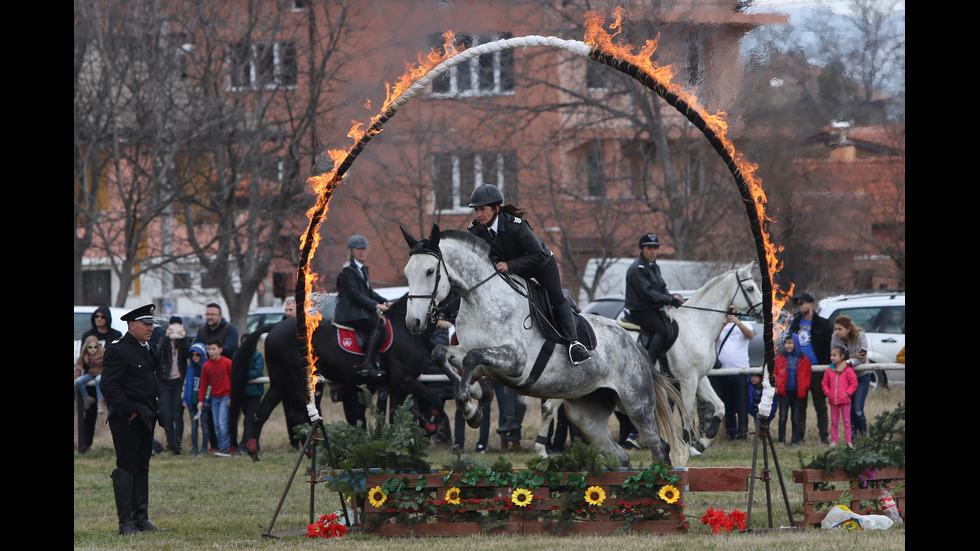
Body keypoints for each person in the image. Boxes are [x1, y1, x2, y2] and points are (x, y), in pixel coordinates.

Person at [467, 184, 590, 364]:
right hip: (510, 269)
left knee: (555, 295)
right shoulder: (476, 229)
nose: (478, 214)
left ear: (496, 209)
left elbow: (538, 254)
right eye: (476, 210)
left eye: (482, 210)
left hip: (540, 264)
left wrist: (509, 265)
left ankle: (574, 343)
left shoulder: (515, 226)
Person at [99, 303, 164, 535]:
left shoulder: (148, 347)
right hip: (127, 418)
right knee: (126, 467)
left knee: (142, 467)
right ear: (132, 325)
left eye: (152, 324)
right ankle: (125, 523)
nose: (150, 328)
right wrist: (129, 411)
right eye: (146, 324)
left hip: (147, 416)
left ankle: (140, 518)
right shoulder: (118, 348)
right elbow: (108, 385)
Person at [335, 234, 392, 378]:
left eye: (364, 249)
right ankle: (367, 364)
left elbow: (368, 292)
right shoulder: (348, 270)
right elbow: (355, 294)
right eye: (358, 249)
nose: (362, 251)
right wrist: (376, 305)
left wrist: (385, 301)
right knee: (379, 328)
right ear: (351, 251)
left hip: (361, 312)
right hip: (351, 313)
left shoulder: (362, 268)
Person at [624, 233, 684, 364]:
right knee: (661, 331)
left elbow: (661, 287)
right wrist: (668, 300)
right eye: (649, 248)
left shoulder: (653, 266)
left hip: (652, 308)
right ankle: (649, 366)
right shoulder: (637, 268)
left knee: (672, 327)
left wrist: (671, 298)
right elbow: (647, 293)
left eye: (655, 248)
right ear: (642, 249)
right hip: (640, 309)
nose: (653, 251)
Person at [789, 292, 833, 444]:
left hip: (818, 370)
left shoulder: (824, 324)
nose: (800, 307)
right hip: (799, 371)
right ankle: (798, 436)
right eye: (798, 304)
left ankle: (824, 437)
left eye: (802, 303)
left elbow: (830, 347)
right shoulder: (794, 325)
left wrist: (827, 366)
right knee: (799, 406)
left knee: (820, 405)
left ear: (811, 304)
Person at [713, 305, 755, 440]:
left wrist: (738, 323)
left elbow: (750, 335)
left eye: (734, 310)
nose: (732, 312)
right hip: (723, 371)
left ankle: (743, 433)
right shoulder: (720, 325)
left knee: (741, 404)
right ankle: (731, 433)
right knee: (728, 405)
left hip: (741, 371)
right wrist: (721, 325)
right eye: (729, 310)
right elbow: (713, 340)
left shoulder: (744, 323)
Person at [831, 315, 870, 437]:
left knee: (857, 408)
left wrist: (847, 361)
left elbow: (862, 356)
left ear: (848, 329)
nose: (836, 332)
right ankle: (852, 436)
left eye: (840, 329)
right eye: (835, 329)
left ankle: (863, 434)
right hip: (845, 377)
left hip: (861, 376)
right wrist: (853, 356)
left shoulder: (860, 336)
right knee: (848, 409)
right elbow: (835, 356)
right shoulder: (834, 338)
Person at [157, 317, 189, 455]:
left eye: (178, 327)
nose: (175, 330)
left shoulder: (184, 342)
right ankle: (170, 443)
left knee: (178, 415)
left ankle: (177, 445)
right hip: (165, 382)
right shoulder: (164, 341)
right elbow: (158, 355)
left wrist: (184, 337)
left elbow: (189, 353)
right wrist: (166, 337)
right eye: (173, 327)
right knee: (167, 416)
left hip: (179, 381)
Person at [774, 334, 811, 446]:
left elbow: (807, 376)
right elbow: (775, 373)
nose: (788, 345)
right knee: (782, 417)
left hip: (797, 392)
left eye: (790, 343)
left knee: (796, 418)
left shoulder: (804, 359)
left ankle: (795, 439)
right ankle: (781, 440)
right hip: (784, 392)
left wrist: (804, 388)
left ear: (796, 343)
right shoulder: (780, 358)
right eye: (786, 343)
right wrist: (777, 383)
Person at [198, 340, 232, 455]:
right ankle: (221, 446)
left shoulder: (227, 363)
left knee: (222, 423)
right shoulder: (206, 366)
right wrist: (201, 400)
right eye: (209, 349)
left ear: (220, 350)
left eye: (214, 349)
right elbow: (203, 385)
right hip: (215, 397)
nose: (211, 352)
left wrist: (231, 397)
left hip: (225, 396)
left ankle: (226, 447)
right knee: (216, 424)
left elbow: (233, 381)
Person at [236, 333, 265, 461]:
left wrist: (243, 374)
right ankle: (254, 442)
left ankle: (245, 444)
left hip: (254, 393)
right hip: (241, 393)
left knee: (249, 418)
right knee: (248, 418)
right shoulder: (237, 355)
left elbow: (258, 372)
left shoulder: (258, 355)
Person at [822, 346, 858, 448]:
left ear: (842, 356)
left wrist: (847, 393)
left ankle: (848, 441)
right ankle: (834, 441)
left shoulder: (848, 370)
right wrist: (828, 393)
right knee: (834, 422)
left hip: (845, 401)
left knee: (847, 421)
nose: (832, 357)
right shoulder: (829, 370)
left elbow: (854, 383)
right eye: (831, 355)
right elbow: (824, 383)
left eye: (834, 355)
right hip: (833, 400)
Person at [182, 342, 208, 457]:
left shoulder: (206, 367)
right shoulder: (190, 369)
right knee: (194, 425)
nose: (195, 357)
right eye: (192, 355)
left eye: (197, 354)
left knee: (205, 425)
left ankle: (204, 448)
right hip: (192, 400)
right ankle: (194, 448)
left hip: (203, 401)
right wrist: (184, 399)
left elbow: (209, 385)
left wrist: (206, 401)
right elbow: (186, 384)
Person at [75, 335, 106, 413]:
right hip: (91, 373)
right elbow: (79, 366)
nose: (92, 349)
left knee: (98, 380)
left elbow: (109, 364)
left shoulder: (103, 353)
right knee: (79, 381)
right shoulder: (84, 355)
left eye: (95, 347)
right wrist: (76, 377)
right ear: (86, 347)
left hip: (100, 373)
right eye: (90, 347)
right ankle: (86, 398)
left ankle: (100, 401)